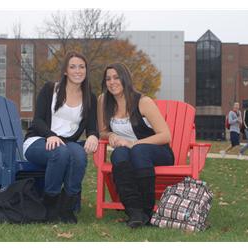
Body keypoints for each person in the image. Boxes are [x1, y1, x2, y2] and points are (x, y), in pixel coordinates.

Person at [23, 51, 99, 224]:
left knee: (79, 155)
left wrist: (93, 136)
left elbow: (92, 127)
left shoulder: (90, 98)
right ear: (65, 71)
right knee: (61, 153)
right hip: (38, 140)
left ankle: (67, 206)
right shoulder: (51, 89)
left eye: (81, 67)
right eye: (73, 67)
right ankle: (50, 204)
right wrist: (50, 135)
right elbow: (38, 121)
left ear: (86, 70)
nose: (78, 70)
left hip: (67, 143)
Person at [97, 63, 175, 229]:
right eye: (108, 78)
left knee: (138, 151)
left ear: (125, 79)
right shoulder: (103, 100)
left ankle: (147, 211)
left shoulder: (143, 102)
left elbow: (165, 135)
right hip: (128, 152)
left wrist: (133, 143)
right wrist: (111, 134)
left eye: (116, 77)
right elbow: (102, 131)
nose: (112, 82)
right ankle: (134, 212)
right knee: (118, 155)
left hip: (157, 152)